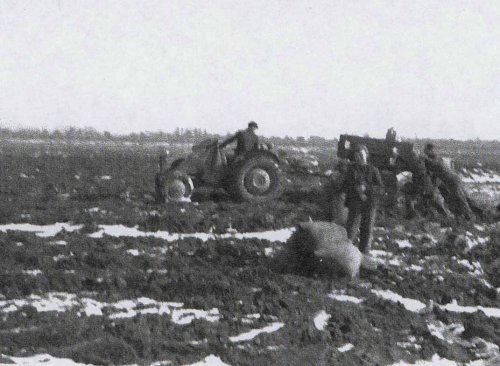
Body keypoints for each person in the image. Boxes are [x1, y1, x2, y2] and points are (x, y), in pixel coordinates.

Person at [337, 144, 384, 253]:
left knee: (367, 231)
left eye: (361, 154)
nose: (359, 157)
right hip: (355, 203)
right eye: (356, 155)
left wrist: (366, 189)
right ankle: (347, 253)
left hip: (369, 204)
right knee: (351, 230)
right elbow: (344, 185)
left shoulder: (373, 170)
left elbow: (380, 188)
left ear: (366, 155)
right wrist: (355, 188)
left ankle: (364, 254)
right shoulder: (351, 169)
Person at [423, 143, 474, 220]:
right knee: (456, 198)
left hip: (452, 180)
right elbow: (433, 173)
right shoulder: (432, 159)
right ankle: (460, 215)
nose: (425, 152)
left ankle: (469, 216)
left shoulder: (436, 159)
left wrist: (424, 159)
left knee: (460, 198)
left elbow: (434, 166)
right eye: (425, 151)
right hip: (447, 180)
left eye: (427, 150)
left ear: (432, 150)